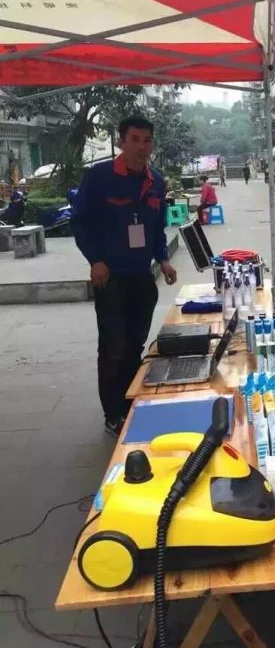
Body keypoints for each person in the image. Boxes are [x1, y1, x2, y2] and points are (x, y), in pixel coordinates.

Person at [72, 116, 177, 437]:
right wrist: (96, 260)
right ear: (121, 142)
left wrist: (163, 259)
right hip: (111, 278)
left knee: (135, 344)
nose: (142, 147)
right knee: (113, 347)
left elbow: (157, 227)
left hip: (142, 278)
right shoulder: (100, 177)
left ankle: (130, 402)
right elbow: (80, 222)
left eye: (147, 140)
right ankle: (113, 413)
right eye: (135, 140)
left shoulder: (155, 181)